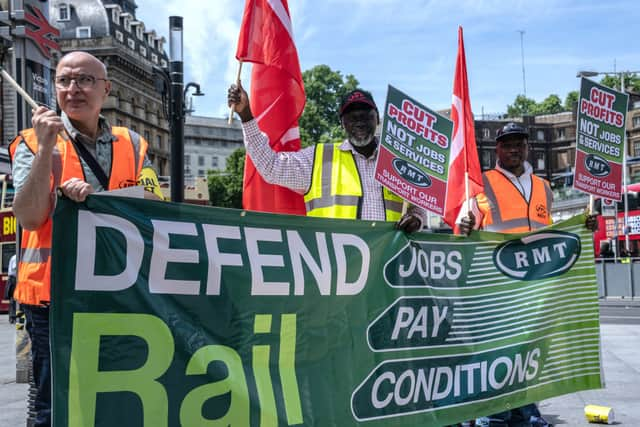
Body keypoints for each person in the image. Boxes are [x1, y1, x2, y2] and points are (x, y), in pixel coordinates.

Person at [10, 51, 160, 427]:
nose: (73, 89)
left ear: (106, 89)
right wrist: (46, 149)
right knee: (53, 403)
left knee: (117, 394)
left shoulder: (134, 144)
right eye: (64, 80)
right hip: (52, 298)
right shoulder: (31, 141)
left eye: (85, 80)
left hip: (118, 293)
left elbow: (157, 205)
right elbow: (28, 216)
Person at [456, 122, 596, 427]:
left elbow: (552, 233)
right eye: (507, 144)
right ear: (498, 150)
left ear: (527, 147)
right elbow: (463, 230)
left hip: (536, 290)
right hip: (497, 290)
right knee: (498, 356)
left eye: (519, 144)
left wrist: (583, 225)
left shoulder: (544, 187)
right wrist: (463, 226)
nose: (514, 150)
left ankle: (525, 413)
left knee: (531, 354)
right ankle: (492, 418)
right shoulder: (481, 185)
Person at [227, 84, 425, 231]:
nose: (359, 121)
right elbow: (270, 167)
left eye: (366, 114)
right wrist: (246, 115)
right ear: (342, 123)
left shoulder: (399, 161)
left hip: (386, 269)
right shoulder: (318, 159)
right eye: (351, 117)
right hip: (336, 271)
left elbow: (420, 203)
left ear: (378, 119)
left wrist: (417, 218)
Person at [4, 253, 17, 323]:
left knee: (13, 299)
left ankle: (12, 317)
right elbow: (15, 268)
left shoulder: (14, 257)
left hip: (13, 279)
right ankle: (12, 317)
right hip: (13, 279)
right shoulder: (16, 258)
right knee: (13, 299)